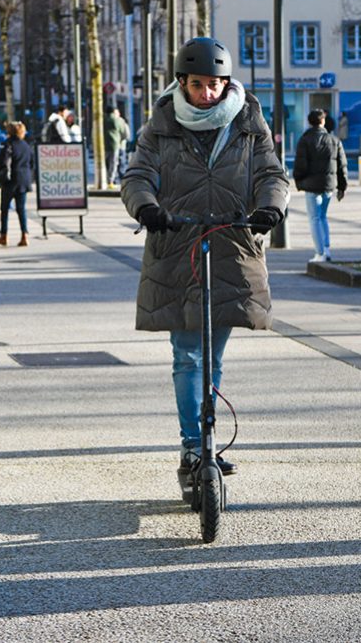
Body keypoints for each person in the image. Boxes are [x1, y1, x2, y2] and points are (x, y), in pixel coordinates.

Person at [121, 36, 289, 488]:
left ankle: (207, 440)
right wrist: (146, 207)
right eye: (198, 84)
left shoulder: (248, 122)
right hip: (177, 246)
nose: (207, 93)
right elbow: (138, 175)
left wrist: (270, 206)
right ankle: (193, 445)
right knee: (187, 354)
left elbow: (271, 174)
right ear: (182, 82)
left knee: (212, 357)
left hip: (233, 247)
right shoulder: (161, 125)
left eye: (215, 84)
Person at [294, 108, 348, 262]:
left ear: (309, 122)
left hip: (311, 186)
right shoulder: (334, 140)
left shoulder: (305, 140)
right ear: (323, 121)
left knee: (315, 218)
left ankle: (320, 253)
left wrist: (299, 180)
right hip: (329, 185)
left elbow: (300, 165)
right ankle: (326, 249)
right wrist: (342, 187)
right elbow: (342, 165)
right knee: (323, 217)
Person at [0, 121, 34, 248]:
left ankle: (4, 235)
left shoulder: (8, 144)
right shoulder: (26, 145)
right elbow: (32, 163)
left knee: (4, 208)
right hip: (23, 179)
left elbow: (2, 161)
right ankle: (24, 235)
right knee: (21, 209)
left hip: (10, 180)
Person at [104, 106, 131, 186]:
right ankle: (111, 181)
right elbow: (124, 134)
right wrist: (119, 139)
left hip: (103, 145)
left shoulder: (101, 120)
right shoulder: (118, 120)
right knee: (114, 163)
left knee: (106, 163)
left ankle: (106, 179)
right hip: (115, 144)